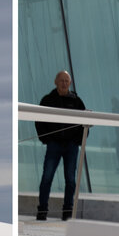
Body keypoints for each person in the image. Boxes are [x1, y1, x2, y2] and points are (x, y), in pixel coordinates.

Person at [34, 71, 88, 221]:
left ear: (70, 83)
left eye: (67, 81)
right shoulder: (47, 100)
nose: (64, 83)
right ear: (55, 82)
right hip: (54, 145)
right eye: (62, 80)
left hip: (71, 147)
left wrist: (77, 141)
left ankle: (67, 211)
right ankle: (42, 210)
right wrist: (46, 139)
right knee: (47, 178)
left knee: (70, 180)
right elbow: (39, 120)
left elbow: (86, 122)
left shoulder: (77, 101)